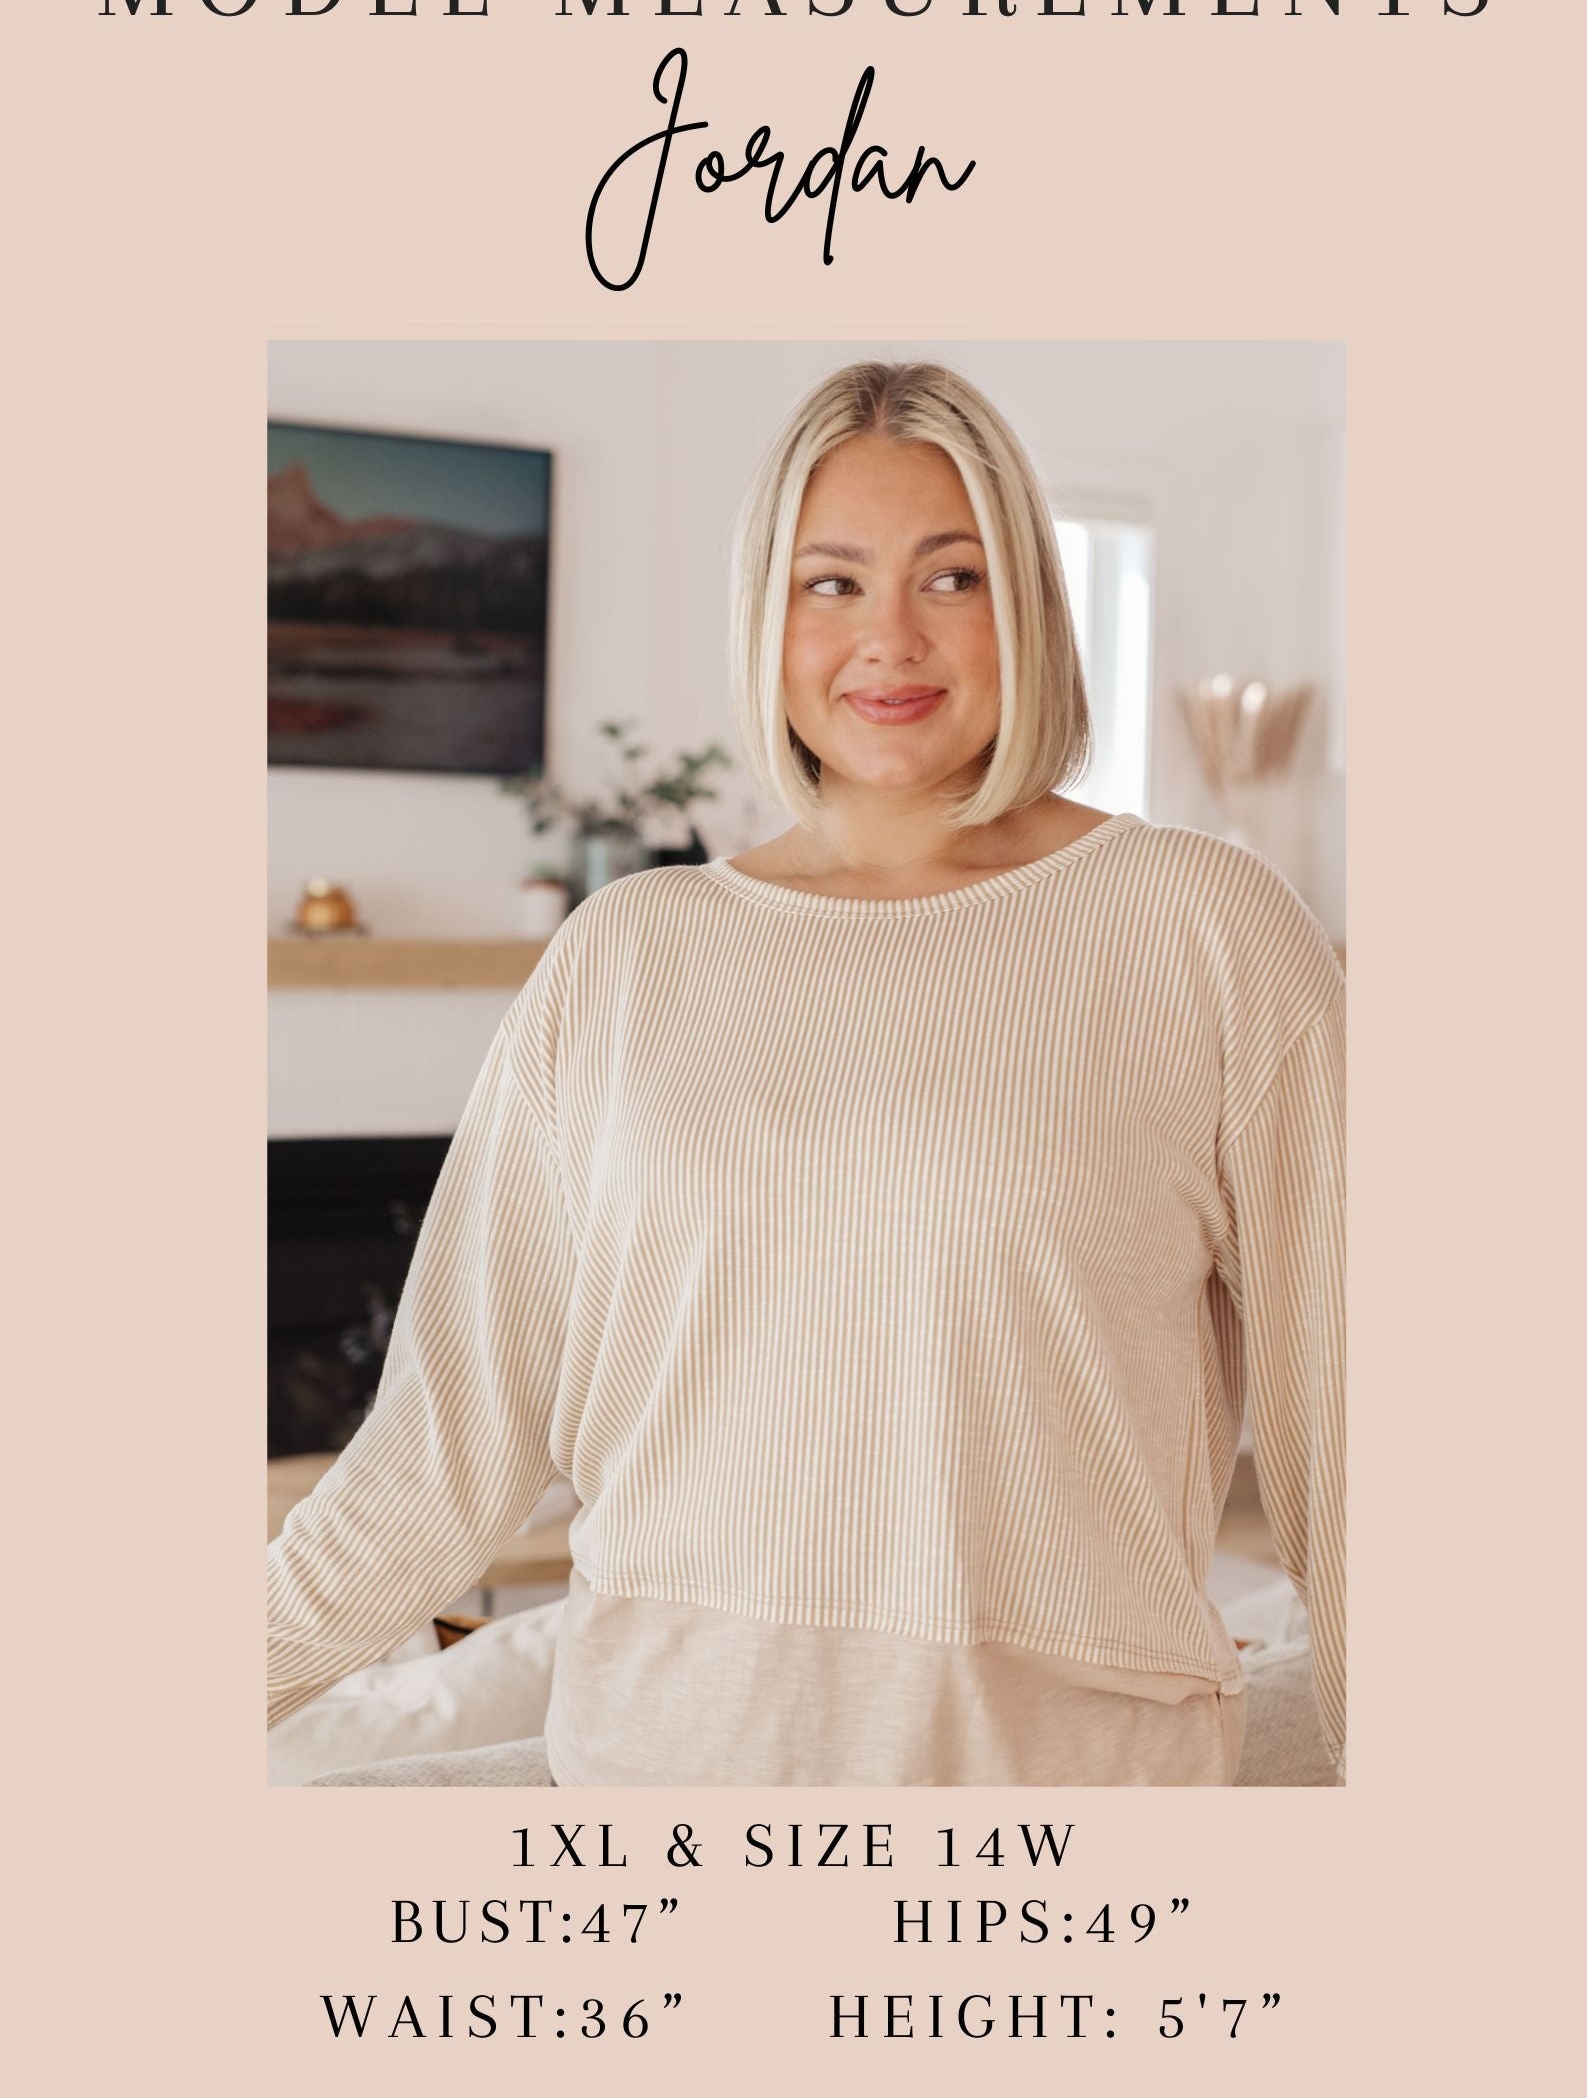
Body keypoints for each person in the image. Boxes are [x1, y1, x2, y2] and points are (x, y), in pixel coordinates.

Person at [268, 360, 1345, 1788]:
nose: (888, 637)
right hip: (659, 1800)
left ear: (1028, 599)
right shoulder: (627, 957)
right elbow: (440, 1453)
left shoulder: (1210, 930)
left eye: (951, 576)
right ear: (765, 616)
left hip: (1070, 1833)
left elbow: (1358, 1436)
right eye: (829, 581)